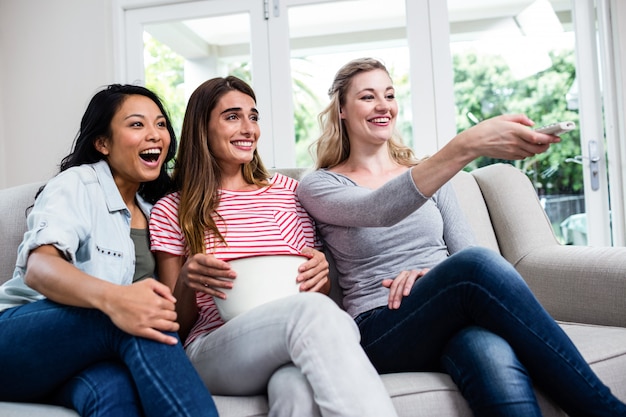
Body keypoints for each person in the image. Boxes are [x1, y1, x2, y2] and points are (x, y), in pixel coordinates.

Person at [296, 57, 626, 417]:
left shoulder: (425, 175)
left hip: (450, 309)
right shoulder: (320, 184)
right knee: (475, 266)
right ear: (341, 110)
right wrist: (465, 146)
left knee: (488, 352)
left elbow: (466, 251)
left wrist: (435, 280)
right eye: (367, 97)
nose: (383, 106)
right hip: (381, 325)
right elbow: (379, 210)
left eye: (389, 95)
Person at [149, 75, 399, 417]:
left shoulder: (290, 192)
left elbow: (316, 292)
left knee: (295, 387)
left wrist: (321, 275)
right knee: (314, 315)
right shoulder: (173, 208)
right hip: (213, 347)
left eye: (253, 117)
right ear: (202, 128)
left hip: (288, 336)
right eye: (233, 116)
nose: (249, 128)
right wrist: (187, 281)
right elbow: (174, 325)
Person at [0, 84, 219, 417]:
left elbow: (175, 321)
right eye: (137, 124)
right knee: (139, 313)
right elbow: (39, 268)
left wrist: (187, 280)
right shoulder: (78, 184)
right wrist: (117, 300)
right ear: (102, 143)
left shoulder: (155, 210)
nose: (155, 135)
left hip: (78, 362)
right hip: (17, 340)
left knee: (114, 394)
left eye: (161, 124)